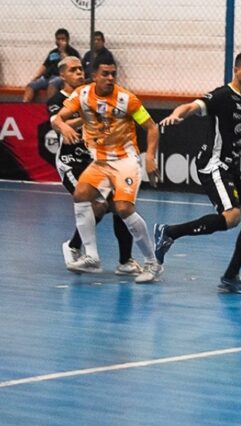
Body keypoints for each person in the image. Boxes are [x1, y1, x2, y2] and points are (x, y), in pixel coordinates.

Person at [154, 52, 241, 295]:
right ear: (236, 70)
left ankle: (230, 277)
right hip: (213, 164)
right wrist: (176, 114)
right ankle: (169, 232)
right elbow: (192, 106)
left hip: (233, 166)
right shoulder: (222, 96)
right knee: (232, 217)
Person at [51, 52, 163, 283]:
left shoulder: (127, 99)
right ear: (94, 76)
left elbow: (152, 128)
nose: (110, 78)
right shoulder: (82, 95)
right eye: (105, 74)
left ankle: (152, 262)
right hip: (100, 161)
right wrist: (63, 127)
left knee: (122, 209)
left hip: (125, 161)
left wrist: (150, 157)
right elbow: (57, 118)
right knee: (81, 195)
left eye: (113, 74)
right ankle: (91, 257)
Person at [23, 28, 81, 102]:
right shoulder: (53, 52)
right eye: (58, 39)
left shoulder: (73, 52)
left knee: (52, 85)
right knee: (30, 85)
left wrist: (62, 51)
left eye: (63, 39)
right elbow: (45, 65)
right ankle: (25, 106)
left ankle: (51, 108)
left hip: (61, 77)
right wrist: (35, 77)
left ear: (67, 40)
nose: (60, 41)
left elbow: (69, 64)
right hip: (48, 76)